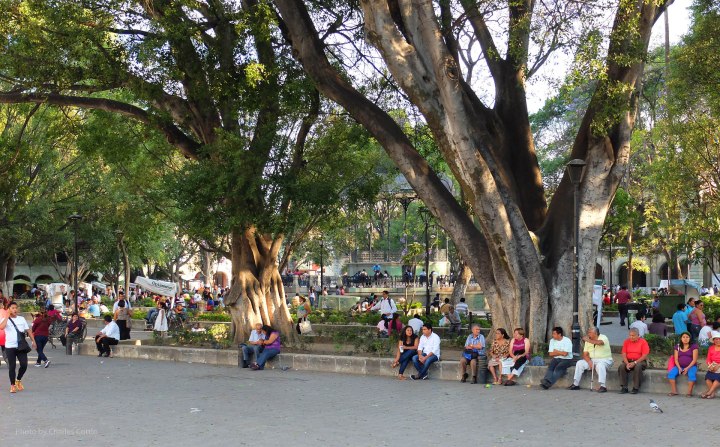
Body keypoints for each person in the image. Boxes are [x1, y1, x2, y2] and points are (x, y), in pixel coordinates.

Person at [0, 302, 37, 393]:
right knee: (12, 366)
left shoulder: (21, 319)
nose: (15, 310)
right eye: (12, 308)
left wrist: (33, 341)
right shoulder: (5, 319)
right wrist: (7, 316)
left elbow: (28, 330)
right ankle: (12, 385)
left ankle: (18, 380)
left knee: (24, 365)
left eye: (16, 308)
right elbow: (1, 327)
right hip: (10, 346)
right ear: (8, 309)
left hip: (21, 346)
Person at [569, 326, 613, 392]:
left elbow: (600, 343)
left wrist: (588, 340)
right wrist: (589, 361)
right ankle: (575, 384)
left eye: (590, 332)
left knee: (600, 365)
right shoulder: (588, 341)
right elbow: (585, 354)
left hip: (605, 360)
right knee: (580, 363)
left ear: (595, 333)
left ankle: (603, 386)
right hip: (592, 359)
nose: (588, 334)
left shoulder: (603, 337)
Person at [618, 328, 650, 394]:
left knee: (637, 367)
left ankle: (636, 387)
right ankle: (624, 387)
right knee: (621, 366)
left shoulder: (643, 342)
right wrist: (627, 363)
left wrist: (635, 362)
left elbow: (644, 356)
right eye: (630, 335)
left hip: (640, 361)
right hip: (628, 361)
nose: (631, 337)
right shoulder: (626, 341)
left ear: (638, 335)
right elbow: (624, 354)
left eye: (633, 335)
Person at [667, 332, 698, 397]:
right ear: (681, 338)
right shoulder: (677, 347)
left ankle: (689, 393)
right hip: (679, 366)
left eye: (687, 337)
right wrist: (679, 368)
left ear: (690, 338)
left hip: (691, 366)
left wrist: (687, 368)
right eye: (683, 337)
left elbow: (694, 360)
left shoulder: (694, 346)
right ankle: (674, 391)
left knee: (691, 375)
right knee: (671, 374)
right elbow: (676, 359)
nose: (685, 339)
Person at [701, 331, 720, 399]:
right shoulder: (711, 348)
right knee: (708, 378)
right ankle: (713, 393)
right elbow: (708, 359)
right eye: (716, 339)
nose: (717, 340)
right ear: (713, 340)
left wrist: (718, 365)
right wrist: (710, 366)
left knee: (718, 378)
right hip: (713, 364)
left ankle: (709, 392)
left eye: (719, 339)